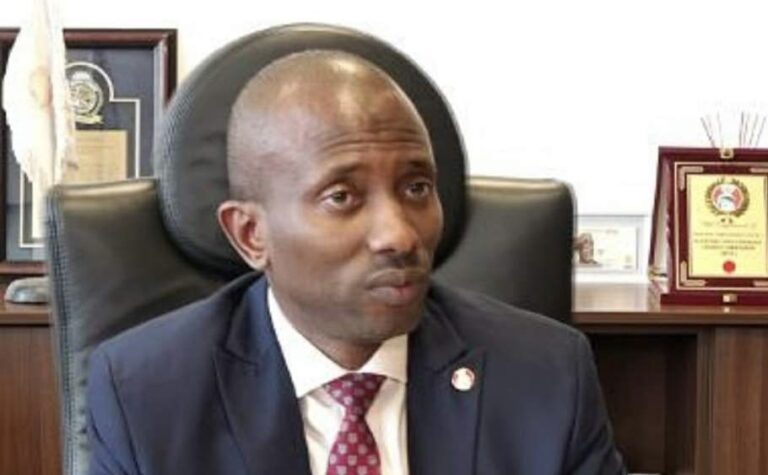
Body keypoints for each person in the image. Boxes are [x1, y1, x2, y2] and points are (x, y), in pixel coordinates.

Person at [87, 50, 626, 475]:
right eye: (341, 196)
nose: (400, 234)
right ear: (252, 235)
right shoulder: (146, 392)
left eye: (417, 188)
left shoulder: (546, 374)